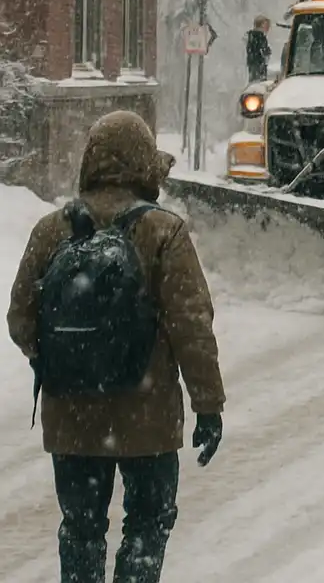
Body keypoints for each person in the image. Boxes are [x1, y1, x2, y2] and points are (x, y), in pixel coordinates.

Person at [7, 110, 226, 583]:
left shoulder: (52, 230)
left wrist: (69, 360)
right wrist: (208, 406)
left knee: (81, 532)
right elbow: (191, 326)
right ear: (144, 162)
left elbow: (20, 320)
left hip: (72, 420)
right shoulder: (164, 231)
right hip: (148, 420)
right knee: (147, 526)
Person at [245, 15, 272, 82]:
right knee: (258, 83)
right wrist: (268, 51)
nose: (268, 27)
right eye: (267, 25)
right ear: (262, 25)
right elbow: (264, 52)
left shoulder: (251, 36)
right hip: (259, 67)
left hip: (253, 66)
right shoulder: (260, 36)